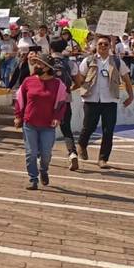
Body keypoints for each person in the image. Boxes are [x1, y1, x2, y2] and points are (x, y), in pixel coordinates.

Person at [77, 34, 134, 169]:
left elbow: (126, 79)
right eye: (100, 44)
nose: (103, 46)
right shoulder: (88, 60)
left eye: (105, 44)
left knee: (108, 130)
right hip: (91, 99)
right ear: (96, 46)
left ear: (110, 46)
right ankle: (82, 144)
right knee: (88, 127)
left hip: (110, 101)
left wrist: (130, 96)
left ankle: (103, 159)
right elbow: (79, 78)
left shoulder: (117, 62)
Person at [14, 53, 69, 191]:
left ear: (47, 67)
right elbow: (20, 99)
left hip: (48, 125)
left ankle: (44, 170)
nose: (36, 65)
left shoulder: (58, 84)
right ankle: (33, 179)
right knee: (31, 152)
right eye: (36, 63)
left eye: (40, 63)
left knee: (46, 154)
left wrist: (57, 117)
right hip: (29, 123)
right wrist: (18, 116)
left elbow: (62, 103)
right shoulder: (28, 81)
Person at [48, 38, 83, 170]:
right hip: (65, 99)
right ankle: (72, 153)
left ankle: (45, 153)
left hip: (48, 99)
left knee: (47, 127)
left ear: (51, 48)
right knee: (66, 127)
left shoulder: (46, 61)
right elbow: (79, 82)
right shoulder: (70, 63)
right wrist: (68, 91)